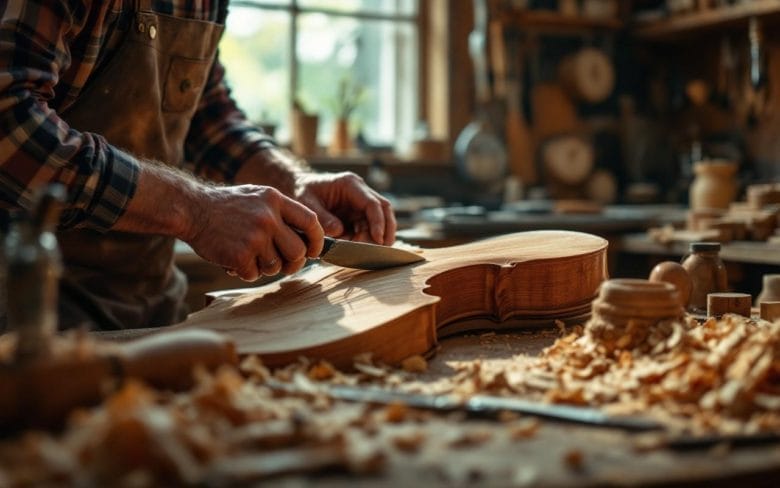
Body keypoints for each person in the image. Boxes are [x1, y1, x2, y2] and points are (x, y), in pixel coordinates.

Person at [0, 0, 396, 331]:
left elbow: (209, 114)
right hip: (25, 306)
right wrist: (198, 211)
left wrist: (295, 181)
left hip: (149, 303)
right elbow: (10, 127)